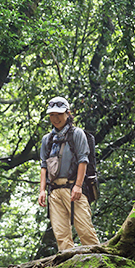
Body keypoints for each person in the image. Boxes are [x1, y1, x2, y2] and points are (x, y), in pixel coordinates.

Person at [38, 96, 99, 251]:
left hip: (73, 188)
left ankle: (99, 264)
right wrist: (42, 190)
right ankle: (69, 267)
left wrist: (78, 186)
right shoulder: (48, 139)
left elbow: (83, 160)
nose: (55, 118)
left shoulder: (77, 134)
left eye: (59, 114)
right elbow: (44, 166)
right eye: (52, 115)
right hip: (54, 191)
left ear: (68, 113)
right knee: (61, 235)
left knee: (85, 230)